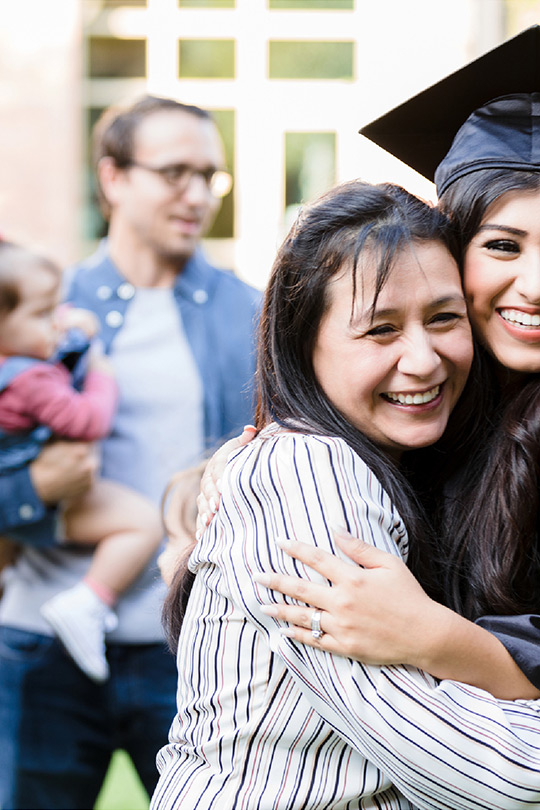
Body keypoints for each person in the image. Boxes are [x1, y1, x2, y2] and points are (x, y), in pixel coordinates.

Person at [201, 26, 540, 809]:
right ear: (449, 251)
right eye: (501, 245)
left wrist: (430, 635)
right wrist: (220, 472)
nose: (537, 283)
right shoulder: (447, 405)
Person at [154, 179, 540, 810]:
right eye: (381, 329)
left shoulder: (413, 458)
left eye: (445, 318)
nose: (423, 360)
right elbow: (445, 748)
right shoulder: (304, 472)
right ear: (303, 342)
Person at [0, 95, 260, 809]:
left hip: (193, 652)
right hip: (40, 648)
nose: (198, 194)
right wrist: (32, 490)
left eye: (210, 175)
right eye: (175, 172)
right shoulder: (34, 306)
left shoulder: (257, 314)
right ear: (112, 177)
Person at [0, 239, 164, 683]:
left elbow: (57, 337)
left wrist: (70, 326)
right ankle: (89, 601)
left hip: (18, 507)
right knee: (143, 523)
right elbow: (85, 421)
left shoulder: (17, 359)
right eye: (41, 314)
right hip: (47, 499)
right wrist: (101, 377)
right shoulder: (29, 379)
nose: (56, 322)